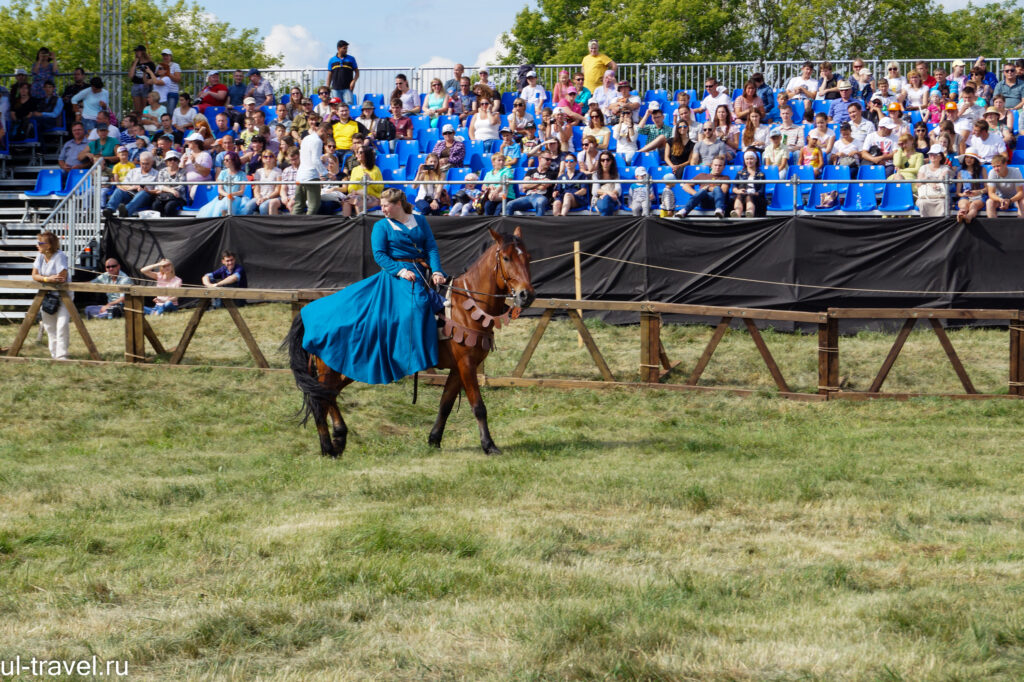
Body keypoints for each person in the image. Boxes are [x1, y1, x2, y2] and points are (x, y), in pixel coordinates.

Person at [300, 187, 447, 385]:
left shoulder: (419, 220)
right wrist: (400, 271)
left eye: (386, 205)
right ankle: (416, 360)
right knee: (416, 307)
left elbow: (431, 247)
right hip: (397, 273)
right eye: (382, 205)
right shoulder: (382, 226)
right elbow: (379, 255)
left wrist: (437, 271)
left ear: (398, 205)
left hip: (421, 270)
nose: (382, 209)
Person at [31, 231, 70, 359]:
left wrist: (43, 278)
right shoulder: (40, 255)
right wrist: (47, 279)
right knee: (49, 326)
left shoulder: (60, 256)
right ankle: (54, 354)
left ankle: (62, 355)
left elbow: (61, 277)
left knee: (62, 325)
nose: (37, 245)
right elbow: (34, 275)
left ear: (48, 245)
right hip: (47, 296)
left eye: (40, 243)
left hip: (63, 296)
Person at [198, 151, 248, 217]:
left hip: (237, 197)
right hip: (224, 196)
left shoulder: (242, 174)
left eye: (227, 160)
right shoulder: (223, 173)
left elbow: (241, 191)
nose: (224, 162)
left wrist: (231, 195)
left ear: (234, 161)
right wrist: (228, 195)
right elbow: (220, 190)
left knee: (229, 204)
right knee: (220, 207)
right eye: (224, 160)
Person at [342, 144, 383, 216]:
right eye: (357, 152)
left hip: (371, 196)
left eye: (360, 152)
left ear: (367, 155)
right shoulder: (355, 169)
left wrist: (370, 181)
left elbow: (380, 189)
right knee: (347, 201)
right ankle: (345, 224)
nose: (357, 154)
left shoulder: (376, 170)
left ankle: (360, 224)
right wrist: (355, 192)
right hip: (357, 195)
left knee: (357, 200)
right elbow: (350, 187)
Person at [916, 145, 953, 217]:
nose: (932, 156)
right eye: (930, 154)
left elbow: (941, 180)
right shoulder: (923, 168)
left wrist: (926, 180)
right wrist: (930, 183)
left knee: (943, 203)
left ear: (941, 157)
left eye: (935, 154)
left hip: (941, 197)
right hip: (925, 196)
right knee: (922, 203)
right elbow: (918, 184)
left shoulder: (945, 169)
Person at [244, 148, 283, 215]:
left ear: (274, 158)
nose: (268, 158)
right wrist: (259, 197)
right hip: (260, 196)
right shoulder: (258, 171)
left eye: (271, 156)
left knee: (263, 207)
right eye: (265, 157)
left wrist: (266, 198)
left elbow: (277, 190)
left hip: (272, 197)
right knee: (248, 206)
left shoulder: (278, 171)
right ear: (262, 159)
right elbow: (256, 188)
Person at [151, 150, 187, 216]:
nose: (172, 161)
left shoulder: (182, 171)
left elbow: (181, 187)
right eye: (170, 159)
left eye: (175, 159)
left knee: (169, 206)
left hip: (178, 198)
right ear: (166, 162)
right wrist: (171, 190)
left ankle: (169, 225)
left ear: (178, 161)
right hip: (163, 197)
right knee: (155, 205)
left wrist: (165, 189)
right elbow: (159, 186)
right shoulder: (162, 171)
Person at [732, 150, 767, 217]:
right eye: (747, 159)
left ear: (756, 160)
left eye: (751, 159)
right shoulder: (740, 173)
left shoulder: (761, 174)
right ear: (744, 161)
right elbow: (734, 187)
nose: (749, 161)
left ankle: (750, 212)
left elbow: (761, 191)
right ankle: (737, 213)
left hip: (755, 197)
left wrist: (753, 193)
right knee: (739, 196)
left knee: (749, 196)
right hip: (742, 195)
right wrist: (739, 191)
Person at [956, 152, 986, 223]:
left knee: (973, 205)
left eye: (971, 158)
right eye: (967, 157)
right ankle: (960, 215)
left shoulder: (982, 170)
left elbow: (987, 188)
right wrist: (964, 194)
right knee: (963, 206)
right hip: (965, 197)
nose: (968, 160)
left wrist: (978, 192)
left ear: (975, 160)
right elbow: (958, 193)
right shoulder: (960, 172)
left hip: (980, 196)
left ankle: (968, 217)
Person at [327, 40, 359, 105]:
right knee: (336, 106)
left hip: (347, 88)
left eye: (346, 48)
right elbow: (329, 75)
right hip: (335, 89)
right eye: (344, 48)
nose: (346, 50)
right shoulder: (332, 60)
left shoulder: (351, 59)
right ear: (338, 48)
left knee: (349, 105)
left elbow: (357, 72)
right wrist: (327, 87)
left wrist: (354, 81)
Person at [592, 151, 621, 216]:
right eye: (602, 160)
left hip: (612, 198)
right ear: (600, 162)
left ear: (611, 161)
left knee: (606, 201)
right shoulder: (596, 175)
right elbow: (595, 191)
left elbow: (618, 188)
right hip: (599, 198)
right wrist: (608, 193)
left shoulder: (616, 174)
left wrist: (607, 194)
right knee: (606, 203)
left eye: (608, 160)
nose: (605, 162)